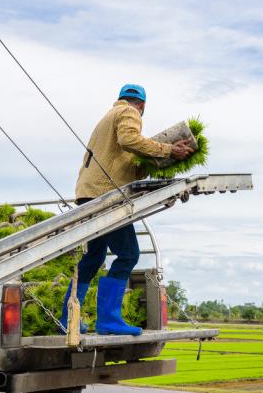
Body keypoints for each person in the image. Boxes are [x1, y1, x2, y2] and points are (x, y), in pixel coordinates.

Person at [59, 84, 195, 336]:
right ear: (141, 105)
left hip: (88, 193)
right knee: (129, 254)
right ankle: (108, 320)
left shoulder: (106, 119)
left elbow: (126, 163)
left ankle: (67, 319)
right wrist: (168, 149)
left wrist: (160, 160)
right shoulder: (129, 113)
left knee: (94, 257)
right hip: (107, 196)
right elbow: (129, 139)